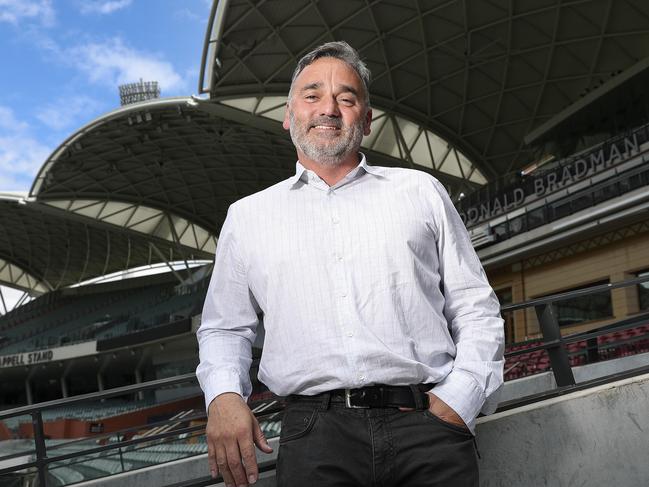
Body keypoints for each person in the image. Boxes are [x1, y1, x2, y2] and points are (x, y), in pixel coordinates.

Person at [197, 41, 504, 487]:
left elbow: (475, 306)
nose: (329, 109)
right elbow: (225, 328)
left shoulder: (420, 191)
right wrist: (223, 397)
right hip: (314, 438)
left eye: (346, 97)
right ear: (288, 116)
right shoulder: (247, 217)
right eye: (312, 95)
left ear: (366, 118)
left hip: (429, 428)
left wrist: (460, 398)